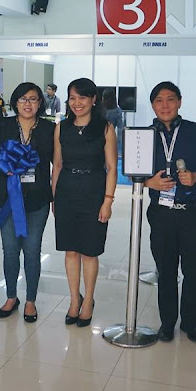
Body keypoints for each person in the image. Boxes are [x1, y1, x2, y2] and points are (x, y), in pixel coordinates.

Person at [144, 81, 196, 343]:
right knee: (165, 270)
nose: (165, 105)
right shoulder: (145, 136)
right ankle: (167, 324)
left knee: (194, 270)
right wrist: (149, 182)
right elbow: (133, 170)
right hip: (161, 213)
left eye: (170, 99)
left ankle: (190, 323)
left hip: (192, 213)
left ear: (179, 102)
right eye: (159, 100)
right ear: (152, 105)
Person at [0, 82, 54, 323]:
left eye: (33, 99)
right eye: (23, 99)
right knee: (10, 250)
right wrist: (6, 167)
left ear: (40, 103)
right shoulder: (4, 125)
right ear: (15, 102)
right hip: (7, 198)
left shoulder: (49, 129)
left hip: (37, 201)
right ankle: (11, 296)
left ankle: (30, 300)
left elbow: (58, 162)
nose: (28, 103)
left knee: (32, 250)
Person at [52, 78, 117, 327]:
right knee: (70, 250)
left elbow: (112, 167)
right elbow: (58, 165)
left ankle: (88, 300)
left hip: (94, 192)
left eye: (82, 97)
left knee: (89, 251)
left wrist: (108, 201)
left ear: (93, 100)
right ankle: (73, 300)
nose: (77, 103)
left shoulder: (105, 128)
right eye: (72, 98)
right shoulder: (62, 128)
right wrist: (54, 197)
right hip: (66, 191)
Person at [102, 88, 124, 152]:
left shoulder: (99, 109)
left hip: (98, 137)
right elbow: (120, 127)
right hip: (111, 137)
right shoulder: (117, 111)